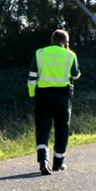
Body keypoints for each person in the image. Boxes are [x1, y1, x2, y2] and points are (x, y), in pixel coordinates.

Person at [28, 29, 81, 175]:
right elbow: (76, 76)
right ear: (66, 42)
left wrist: (33, 94)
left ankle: (43, 161)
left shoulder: (40, 53)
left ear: (52, 40)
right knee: (62, 128)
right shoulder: (70, 55)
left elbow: (32, 77)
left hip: (43, 95)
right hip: (62, 96)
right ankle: (58, 163)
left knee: (43, 128)